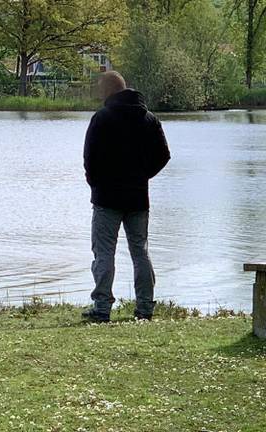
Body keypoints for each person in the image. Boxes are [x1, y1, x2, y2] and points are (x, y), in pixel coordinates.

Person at [82, 71, 171, 323]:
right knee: (140, 251)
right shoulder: (148, 118)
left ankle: (102, 308)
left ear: (110, 90)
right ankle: (145, 309)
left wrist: (96, 184)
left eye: (100, 88)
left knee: (104, 253)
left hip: (106, 198)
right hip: (137, 198)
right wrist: (142, 176)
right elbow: (163, 156)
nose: (98, 93)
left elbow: (90, 158)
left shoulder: (101, 118)